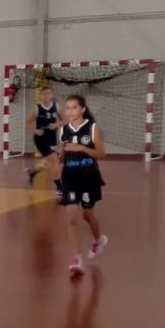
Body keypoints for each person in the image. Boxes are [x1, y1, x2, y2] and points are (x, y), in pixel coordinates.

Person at [58, 92, 108, 277]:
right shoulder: (63, 130)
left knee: (87, 215)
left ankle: (99, 240)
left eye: (74, 107)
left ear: (83, 109)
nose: (70, 111)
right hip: (70, 177)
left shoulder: (92, 128)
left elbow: (101, 154)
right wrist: (60, 156)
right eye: (68, 108)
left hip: (88, 176)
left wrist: (82, 148)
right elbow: (63, 153)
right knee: (71, 217)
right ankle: (76, 259)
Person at [26, 86, 62, 193]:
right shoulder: (36, 109)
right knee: (54, 161)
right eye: (44, 94)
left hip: (52, 138)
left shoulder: (57, 107)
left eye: (49, 93)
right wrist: (35, 130)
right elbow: (27, 123)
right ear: (41, 96)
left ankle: (33, 171)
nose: (47, 96)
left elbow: (64, 120)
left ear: (52, 95)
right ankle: (59, 188)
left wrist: (56, 124)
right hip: (40, 139)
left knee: (51, 161)